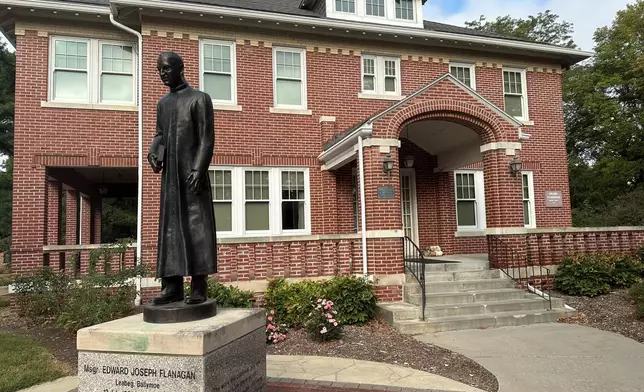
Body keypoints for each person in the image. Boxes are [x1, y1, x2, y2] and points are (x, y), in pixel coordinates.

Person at [147, 51, 217, 305]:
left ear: (180, 68)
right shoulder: (162, 104)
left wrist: (199, 170)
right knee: (170, 229)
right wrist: (154, 152)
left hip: (192, 175)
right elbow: (159, 134)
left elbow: (207, 139)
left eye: (166, 69)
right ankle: (171, 287)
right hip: (171, 180)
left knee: (198, 228)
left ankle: (199, 286)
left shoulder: (199, 99)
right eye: (159, 70)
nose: (163, 74)